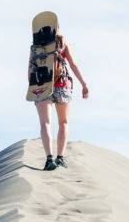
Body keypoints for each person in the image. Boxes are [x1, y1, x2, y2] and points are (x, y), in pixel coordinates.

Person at [28, 28, 89, 171]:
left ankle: (49, 159)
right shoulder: (62, 41)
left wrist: (32, 88)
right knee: (64, 122)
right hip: (62, 84)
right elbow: (73, 65)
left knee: (45, 123)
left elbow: (30, 68)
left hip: (42, 85)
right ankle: (60, 158)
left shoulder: (36, 45)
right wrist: (84, 84)